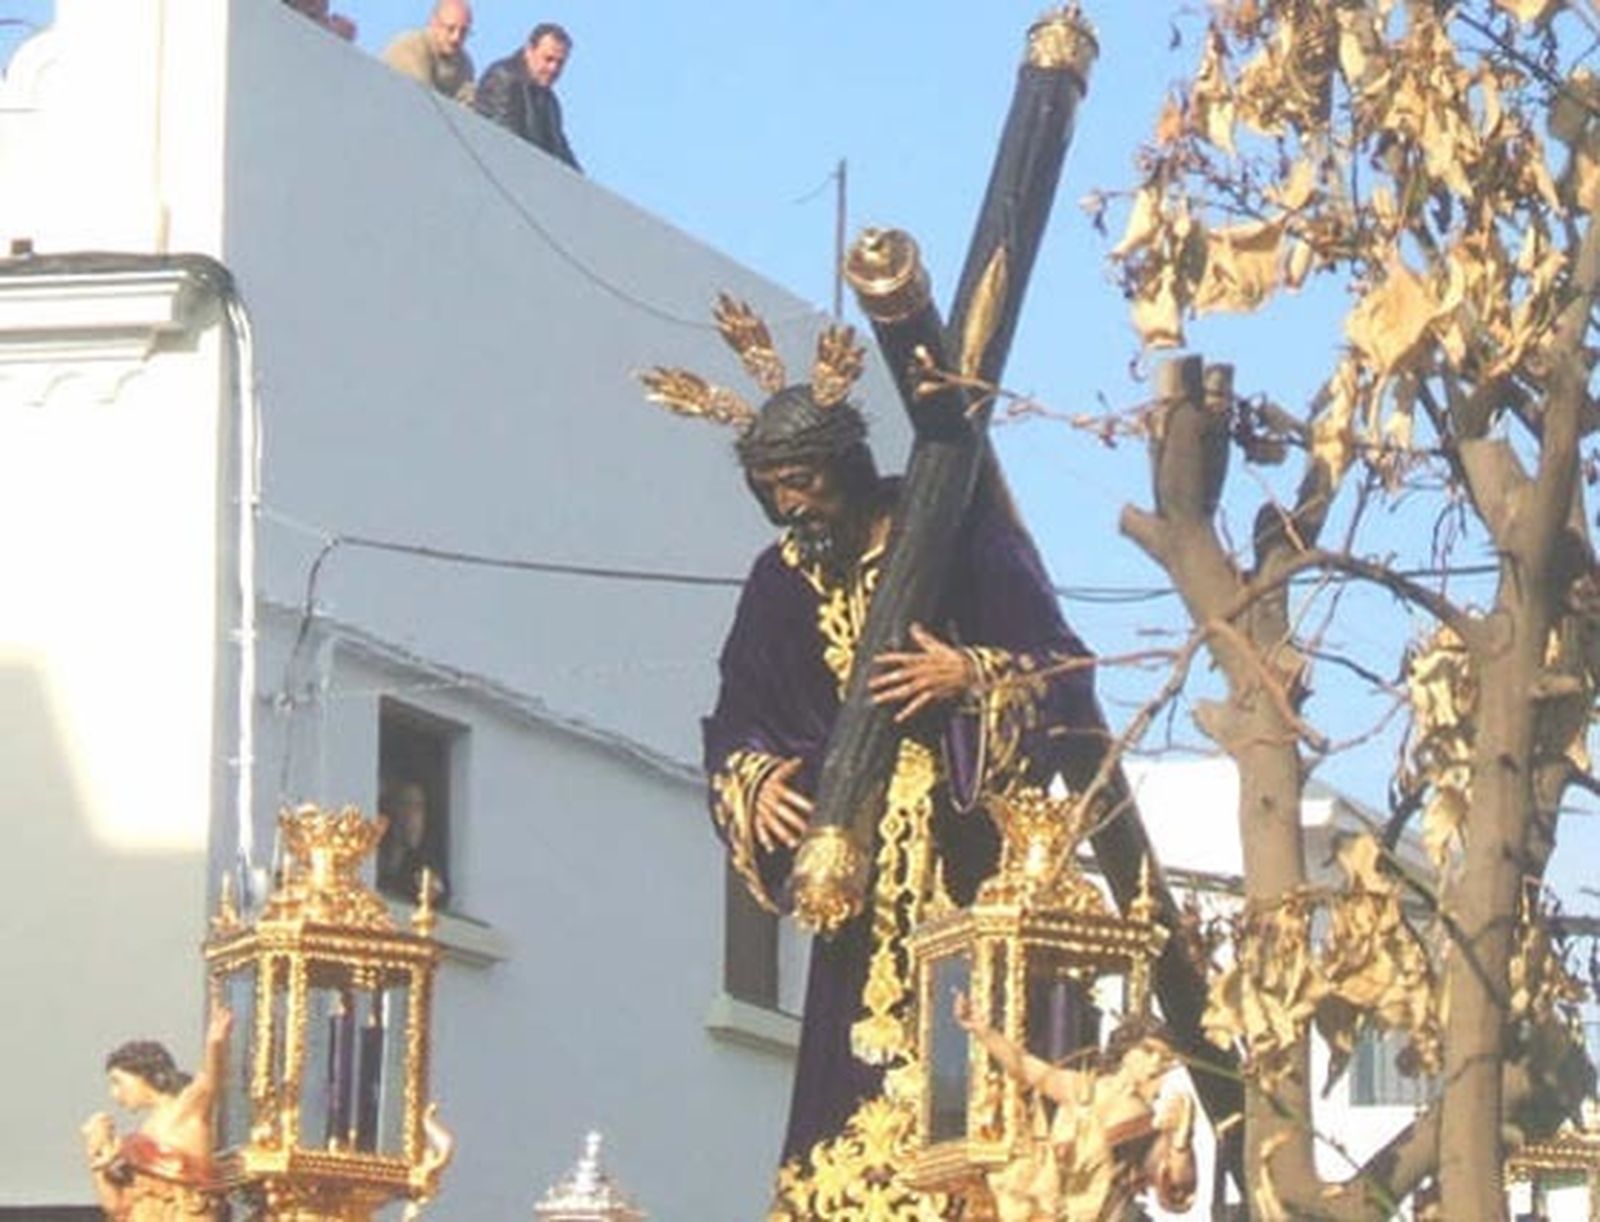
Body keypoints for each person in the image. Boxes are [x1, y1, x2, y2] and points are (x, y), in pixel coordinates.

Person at [648, 300, 1103, 1217]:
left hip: (966, 863)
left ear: (845, 469)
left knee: (976, 1079)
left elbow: (1067, 673)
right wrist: (755, 779)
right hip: (854, 877)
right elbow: (736, 717)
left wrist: (968, 675)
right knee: (846, 1083)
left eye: (804, 480)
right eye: (773, 486)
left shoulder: (955, 534)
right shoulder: (777, 582)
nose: (791, 502)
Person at [953, 992, 1198, 1221]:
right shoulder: (1081, 1089)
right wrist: (983, 1031)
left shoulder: (1147, 1120)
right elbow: (1025, 1066)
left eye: (1165, 1060)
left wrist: (1182, 1140)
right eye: (1148, 1052)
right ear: (1127, 1050)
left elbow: (1177, 1187)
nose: (1155, 1064)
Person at [81, 1007, 232, 1221]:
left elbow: (208, 1081)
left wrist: (215, 1045)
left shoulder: (184, 1111)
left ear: (145, 1075)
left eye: (119, 1082)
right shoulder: (141, 1137)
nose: (115, 1094)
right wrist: (97, 1154)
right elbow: (117, 1208)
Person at [474, 23, 581, 171]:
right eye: (548, 59)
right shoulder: (505, 78)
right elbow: (505, 139)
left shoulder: (550, 103)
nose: (553, 68)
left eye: (560, 63)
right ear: (529, 51)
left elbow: (562, 152)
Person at [381, 1, 476, 104]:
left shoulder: (464, 64)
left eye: (463, 32)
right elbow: (422, 98)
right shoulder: (412, 48)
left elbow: (467, 106)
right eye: (450, 29)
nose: (456, 38)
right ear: (434, 23)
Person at [377, 779, 449, 907]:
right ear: (393, 810)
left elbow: (440, 896)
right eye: (409, 805)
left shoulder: (423, 864)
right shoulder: (372, 856)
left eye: (420, 808)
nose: (415, 817)